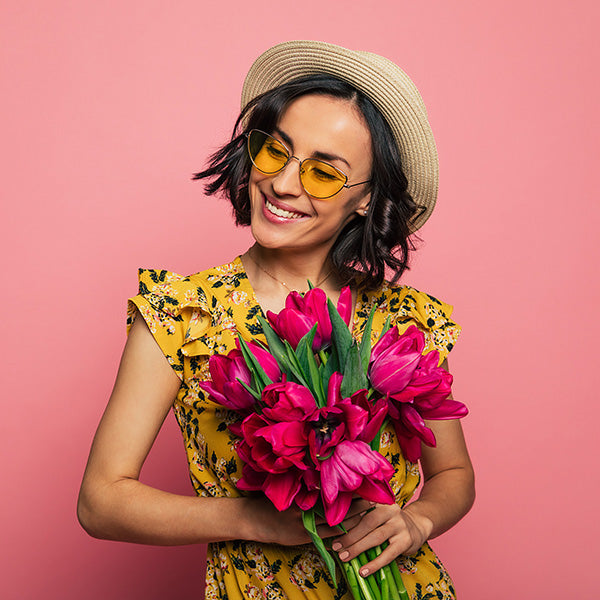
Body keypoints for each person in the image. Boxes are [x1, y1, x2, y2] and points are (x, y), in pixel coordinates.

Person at [78, 40, 475, 599]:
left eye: (322, 173)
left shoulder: (406, 323)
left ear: (365, 198)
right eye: (274, 153)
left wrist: (417, 522)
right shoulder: (184, 314)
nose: (284, 185)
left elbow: (454, 475)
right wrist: (254, 521)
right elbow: (100, 501)